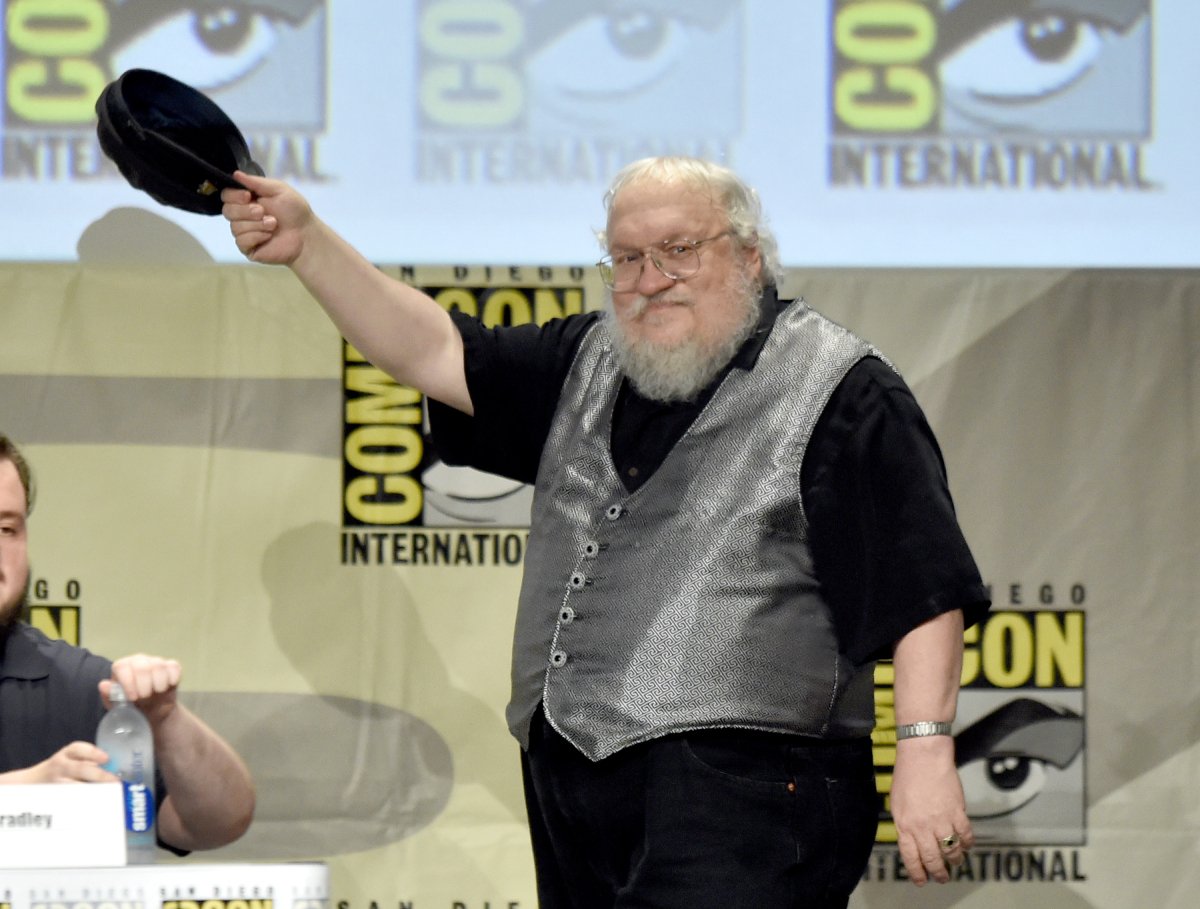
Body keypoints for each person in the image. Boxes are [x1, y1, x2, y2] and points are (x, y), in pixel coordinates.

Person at [221, 156, 991, 906]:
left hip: (748, 787)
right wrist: (308, 244)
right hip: (574, 787)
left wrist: (924, 748)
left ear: (751, 258)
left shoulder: (841, 388)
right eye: (625, 257)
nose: (649, 278)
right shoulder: (583, 360)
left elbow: (920, 587)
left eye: (679, 250)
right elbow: (435, 349)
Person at [0, 433, 256, 853]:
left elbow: (218, 823)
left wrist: (167, 720)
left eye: (6, 528)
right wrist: (28, 794)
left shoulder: (72, 684)